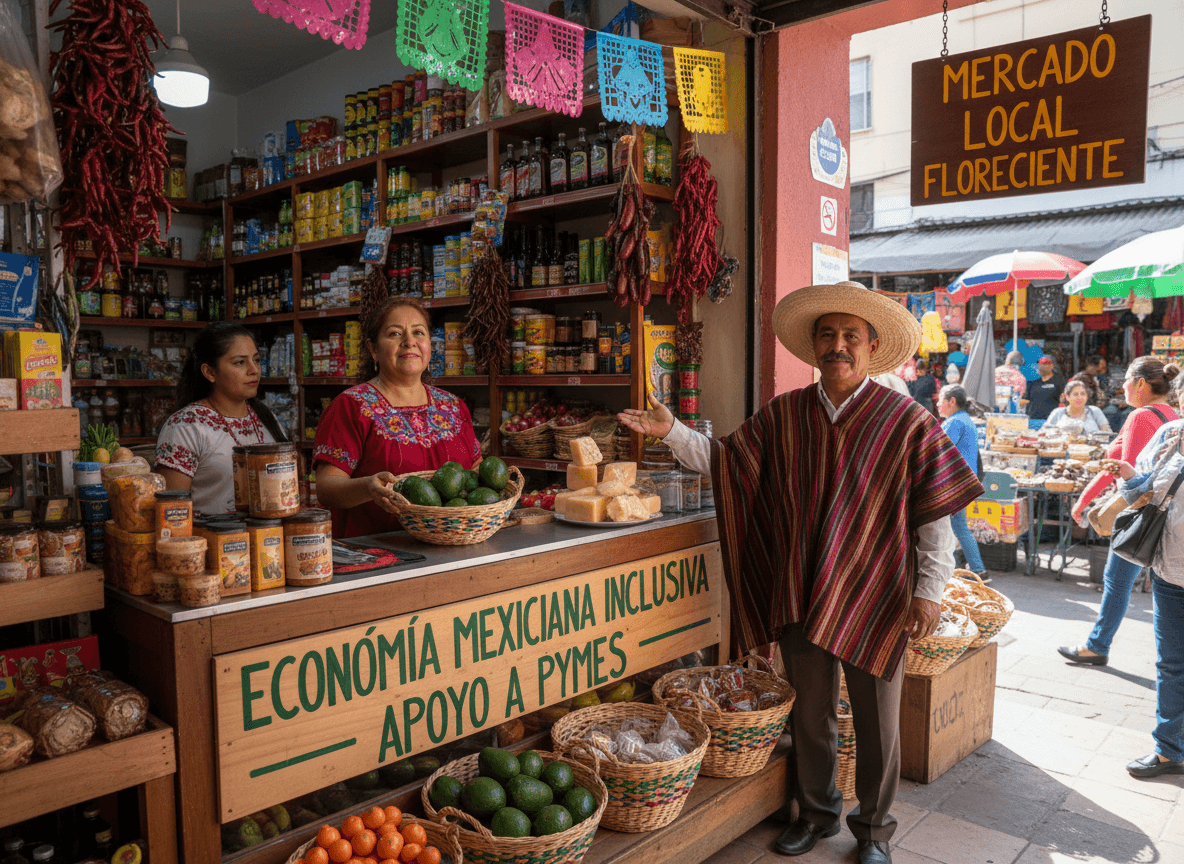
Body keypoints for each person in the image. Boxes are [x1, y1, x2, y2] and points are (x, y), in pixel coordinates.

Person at [619, 281, 982, 864]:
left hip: (879, 593)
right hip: (802, 589)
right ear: (814, 347)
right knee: (811, 717)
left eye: (850, 337)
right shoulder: (785, 414)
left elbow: (933, 515)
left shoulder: (906, 421)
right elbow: (729, 462)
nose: (838, 345)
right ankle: (816, 816)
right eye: (827, 335)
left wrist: (930, 591)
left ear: (871, 347)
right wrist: (673, 433)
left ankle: (875, 833)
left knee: (878, 725)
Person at [312, 297, 480, 538]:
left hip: (454, 547)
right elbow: (326, 488)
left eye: (419, 333)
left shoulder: (454, 406)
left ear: (429, 345)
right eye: (394, 334)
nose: (409, 342)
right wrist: (367, 488)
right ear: (373, 349)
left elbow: (476, 468)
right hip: (377, 555)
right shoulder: (351, 406)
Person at [1059, 358, 1181, 666]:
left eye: (1126, 379)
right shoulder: (1170, 414)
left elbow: (1128, 474)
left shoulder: (1140, 416)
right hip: (1163, 513)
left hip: (1141, 513)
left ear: (1140, 383)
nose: (1122, 386)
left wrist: (1085, 501)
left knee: (1117, 579)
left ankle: (1097, 645)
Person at [1105, 372, 1184, 778]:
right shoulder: (1171, 434)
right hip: (1172, 571)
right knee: (1171, 664)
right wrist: (1127, 476)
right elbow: (1145, 492)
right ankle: (1170, 749)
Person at [156, 322, 289, 515]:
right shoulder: (186, 426)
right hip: (211, 541)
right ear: (210, 372)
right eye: (240, 362)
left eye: (257, 360)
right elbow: (172, 512)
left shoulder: (265, 417)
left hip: (267, 540)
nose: (254, 370)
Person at [937, 384, 986, 579]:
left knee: (942, 526)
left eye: (941, 400)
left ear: (952, 401)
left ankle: (949, 570)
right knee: (959, 526)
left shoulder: (954, 422)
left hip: (953, 484)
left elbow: (939, 451)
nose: (938, 404)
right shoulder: (965, 420)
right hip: (964, 483)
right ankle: (978, 570)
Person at [1045, 381, 1112, 434]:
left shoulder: (1094, 411)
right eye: (1075, 394)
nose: (1079, 397)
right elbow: (1044, 432)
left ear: (1087, 397)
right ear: (1067, 397)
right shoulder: (1058, 412)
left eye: (1083, 394)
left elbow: (1107, 433)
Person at [1024, 356, 1065, 422]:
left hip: (1051, 421)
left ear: (1052, 366)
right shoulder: (1034, 383)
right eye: (1040, 364)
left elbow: (1063, 400)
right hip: (1033, 421)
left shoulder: (1059, 382)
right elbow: (1026, 400)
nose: (1041, 366)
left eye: (1044, 364)